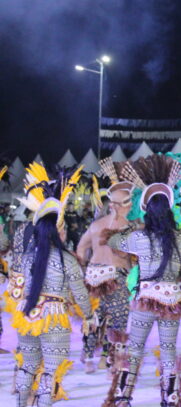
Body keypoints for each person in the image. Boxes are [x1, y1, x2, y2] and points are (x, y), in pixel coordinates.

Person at [105, 154, 181, 407]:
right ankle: (171, 397)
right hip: (171, 300)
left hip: (144, 299)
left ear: (146, 210)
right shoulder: (180, 238)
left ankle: (122, 397)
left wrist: (128, 227)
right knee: (168, 350)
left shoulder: (139, 238)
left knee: (135, 349)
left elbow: (113, 242)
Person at [13, 164, 96, 406]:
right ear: (58, 230)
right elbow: (80, 293)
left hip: (27, 315)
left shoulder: (28, 257)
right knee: (50, 372)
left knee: (27, 366)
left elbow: (15, 290)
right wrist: (89, 316)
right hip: (54, 316)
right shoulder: (66, 259)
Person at [76, 159, 138, 374]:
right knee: (118, 319)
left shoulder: (95, 225)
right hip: (117, 277)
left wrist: (84, 271)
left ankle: (89, 358)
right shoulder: (129, 228)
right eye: (129, 204)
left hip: (93, 277)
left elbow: (80, 250)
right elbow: (133, 258)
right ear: (125, 205)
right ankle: (112, 360)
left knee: (95, 318)